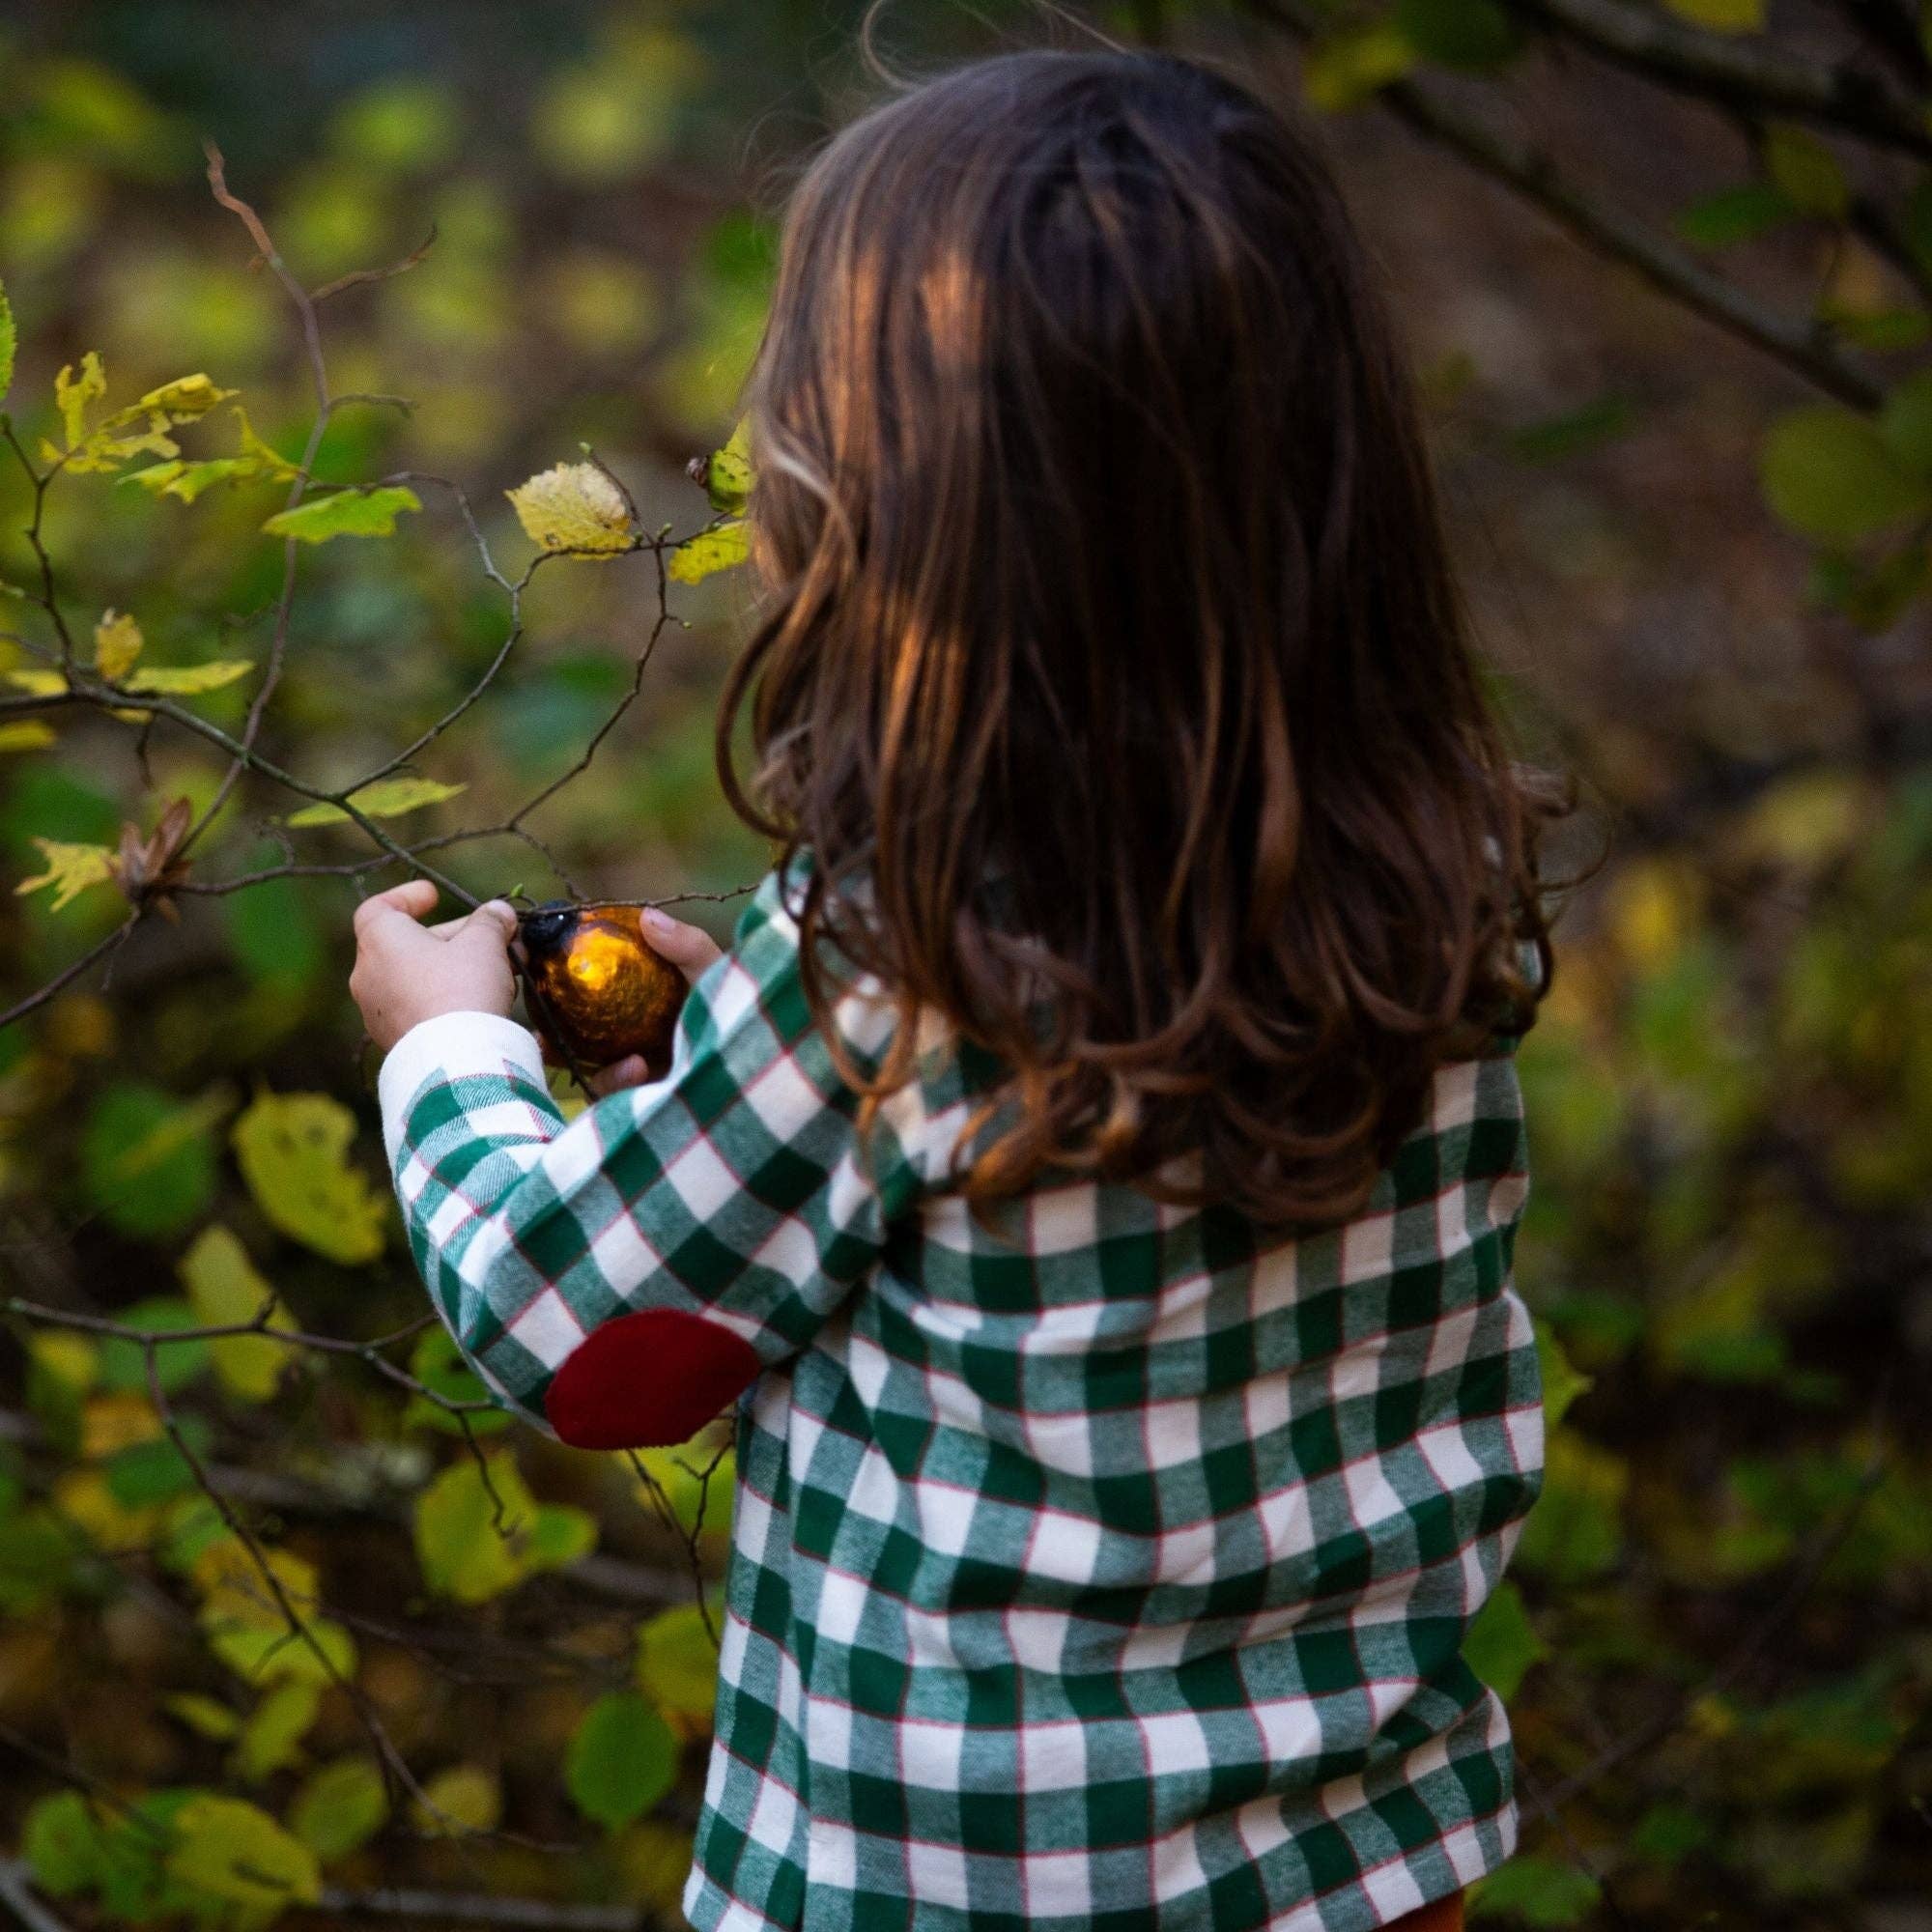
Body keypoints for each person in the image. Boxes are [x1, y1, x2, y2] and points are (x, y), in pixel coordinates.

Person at [349, 47, 1558, 1932]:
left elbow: (586, 1343)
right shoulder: (1433, 886)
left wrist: (449, 1046)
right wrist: (731, 1068)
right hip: (1358, 1873)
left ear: (895, 513)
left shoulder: (895, 963)